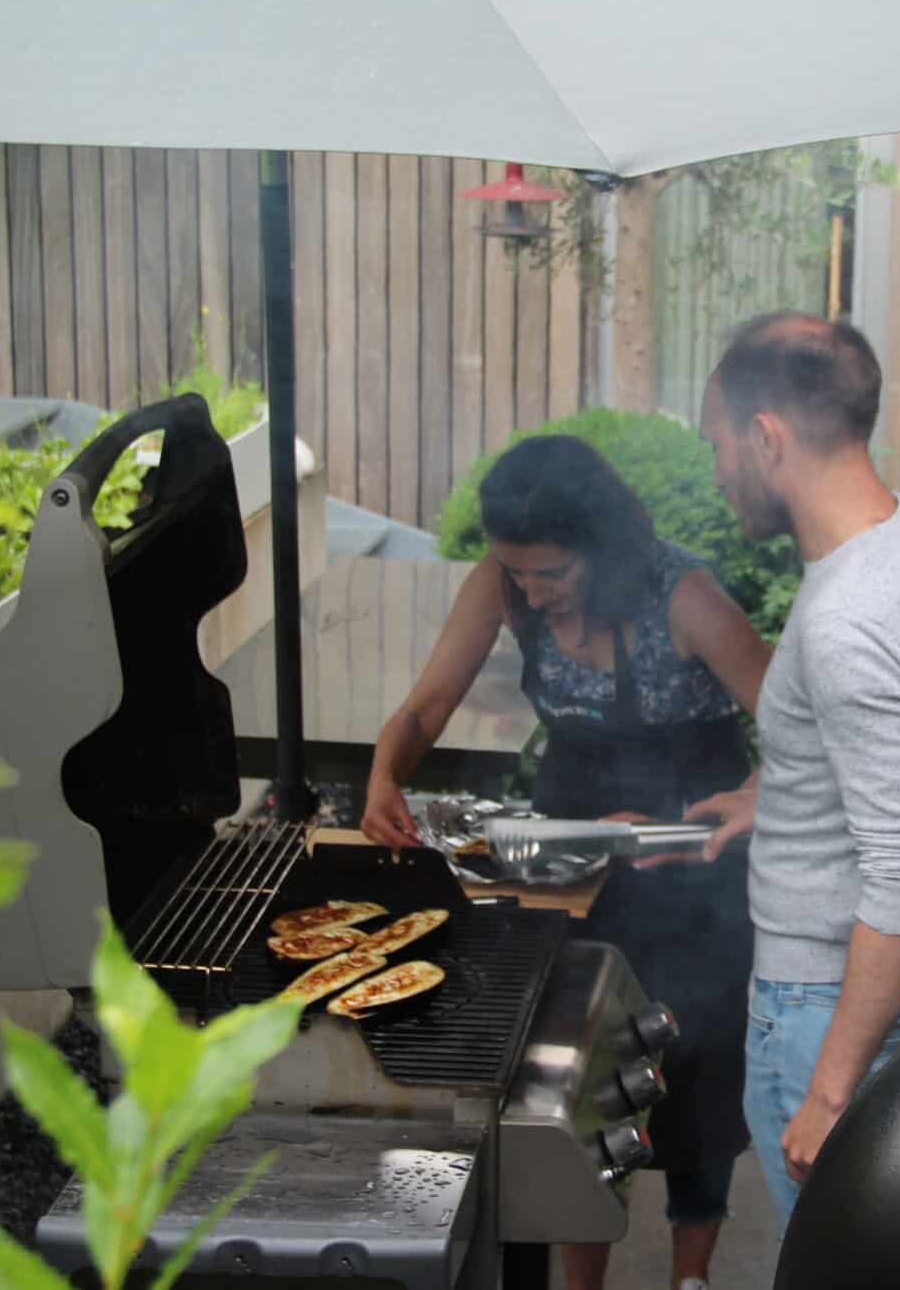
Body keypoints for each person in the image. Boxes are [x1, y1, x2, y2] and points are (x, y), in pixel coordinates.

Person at [362, 434, 770, 1290]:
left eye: (551, 573)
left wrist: (728, 805)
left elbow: (802, 729)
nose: (532, 591)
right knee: (580, 1069)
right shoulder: (505, 582)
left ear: (603, 543)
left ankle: (690, 1277)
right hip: (574, 851)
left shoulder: (685, 597)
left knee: (693, 1067)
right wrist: (384, 772)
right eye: (518, 572)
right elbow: (428, 705)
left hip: (689, 854)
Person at [684, 312, 900, 1229]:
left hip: (833, 1005)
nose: (716, 473)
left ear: (766, 438)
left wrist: (828, 1093)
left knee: (837, 1258)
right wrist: (787, 793)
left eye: (718, 446)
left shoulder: (847, 622)